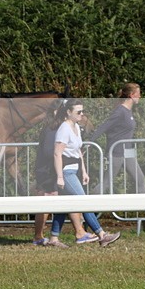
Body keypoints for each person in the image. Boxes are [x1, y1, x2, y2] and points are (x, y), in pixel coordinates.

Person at [49, 99, 121, 247]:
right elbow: (57, 153)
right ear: (69, 112)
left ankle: (53, 238)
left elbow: (78, 151)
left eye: (82, 111)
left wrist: (84, 171)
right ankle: (102, 234)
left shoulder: (75, 126)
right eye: (78, 112)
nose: (82, 114)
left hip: (73, 170)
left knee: (63, 207)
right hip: (66, 172)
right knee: (84, 201)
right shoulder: (64, 128)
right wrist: (60, 177)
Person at [32, 100, 97, 248]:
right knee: (47, 205)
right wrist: (64, 164)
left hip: (56, 170)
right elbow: (51, 153)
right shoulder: (52, 129)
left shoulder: (63, 128)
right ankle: (38, 236)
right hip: (48, 172)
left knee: (66, 202)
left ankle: (75, 233)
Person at [89, 82, 145, 195]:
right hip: (116, 152)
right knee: (106, 183)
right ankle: (86, 208)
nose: (140, 96)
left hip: (128, 153)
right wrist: (89, 142)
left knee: (140, 180)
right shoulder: (120, 111)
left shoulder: (128, 111)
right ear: (131, 95)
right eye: (138, 94)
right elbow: (103, 127)